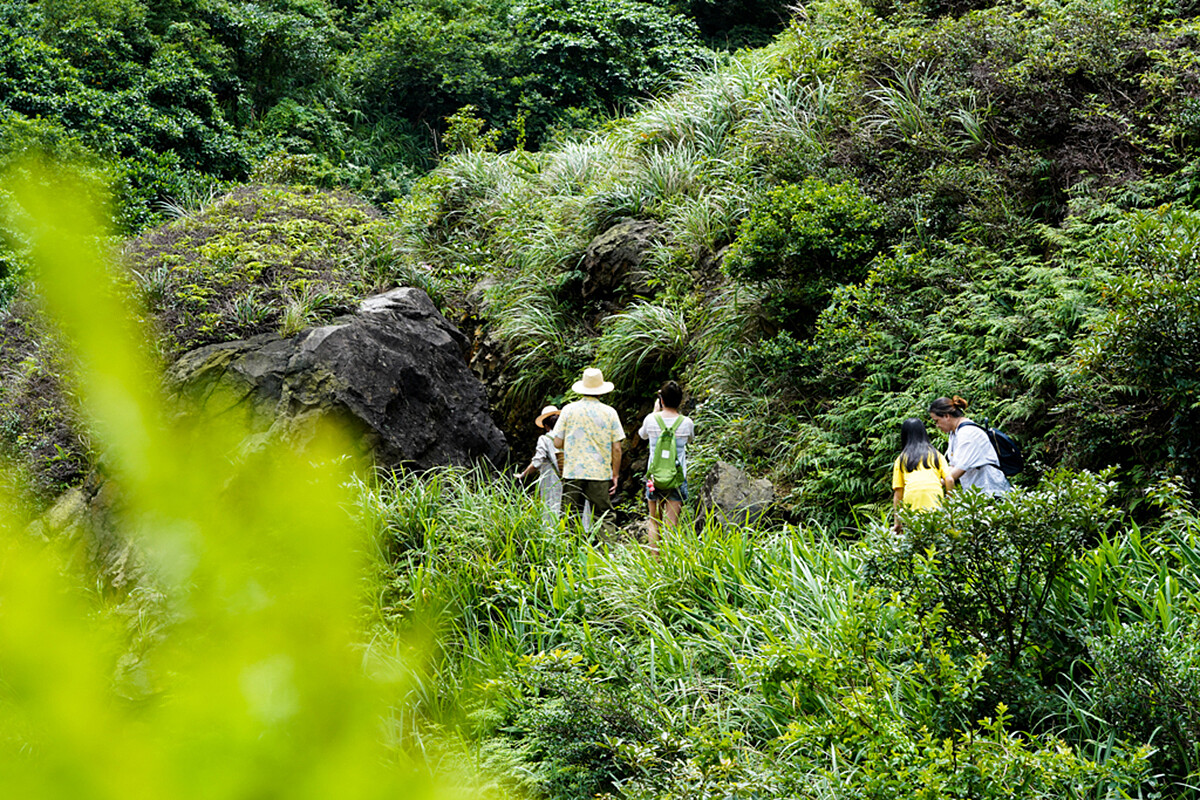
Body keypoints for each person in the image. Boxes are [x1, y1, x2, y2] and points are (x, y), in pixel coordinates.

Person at [552, 368, 625, 528]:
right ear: (601, 390)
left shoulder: (568, 410)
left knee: (570, 515)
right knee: (603, 514)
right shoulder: (610, 413)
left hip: (573, 471)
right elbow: (617, 448)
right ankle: (605, 552)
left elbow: (557, 443)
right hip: (599, 473)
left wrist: (573, 444)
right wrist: (615, 474)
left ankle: (570, 551)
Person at [638, 380, 694, 555]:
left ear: (661, 399)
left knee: (654, 521)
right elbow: (690, 440)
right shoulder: (687, 423)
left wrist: (655, 412)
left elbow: (642, 435)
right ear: (680, 401)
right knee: (671, 525)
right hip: (677, 478)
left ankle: (655, 563)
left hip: (654, 478)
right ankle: (670, 566)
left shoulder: (650, 419)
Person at [929, 395, 1012, 496]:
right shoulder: (955, 432)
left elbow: (958, 471)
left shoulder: (968, 433)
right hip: (976, 493)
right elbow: (953, 467)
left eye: (936, 421)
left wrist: (931, 485)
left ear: (947, 416)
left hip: (991, 491)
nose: (937, 426)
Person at [891, 417, 953, 532]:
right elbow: (949, 480)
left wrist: (897, 522)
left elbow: (898, 494)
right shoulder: (936, 455)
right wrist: (949, 506)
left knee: (916, 535)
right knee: (936, 534)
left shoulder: (901, 459)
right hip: (934, 500)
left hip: (912, 501)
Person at [515, 405, 564, 516]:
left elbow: (537, 462)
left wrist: (523, 475)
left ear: (546, 426)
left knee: (551, 508)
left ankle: (551, 532)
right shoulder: (568, 437)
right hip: (569, 479)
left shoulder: (545, 439)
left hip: (551, 480)